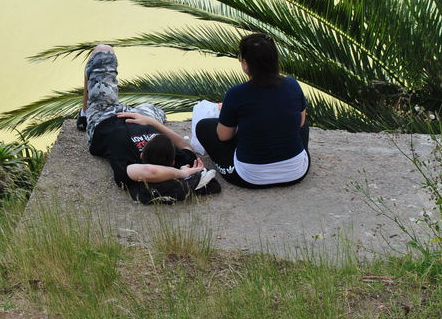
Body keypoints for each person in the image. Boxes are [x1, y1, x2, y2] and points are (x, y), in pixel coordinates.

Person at [79, 45, 220, 204]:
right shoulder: (178, 160)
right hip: (144, 117)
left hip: (103, 116)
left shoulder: (131, 165)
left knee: (103, 51)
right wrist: (152, 122)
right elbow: (186, 147)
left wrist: (180, 174)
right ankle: (150, 116)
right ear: (173, 161)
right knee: (159, 111)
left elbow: (151, 170)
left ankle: (85, 114)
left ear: (140, 156)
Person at [195, 33, 310, 188]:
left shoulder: (236, 94)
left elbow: (223, 136)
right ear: (275, 60)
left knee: (203, 127)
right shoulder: (292, 84)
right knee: (301, 118)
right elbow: (300, 123)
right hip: (296, 173)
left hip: (250, 177)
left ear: (245, 64)